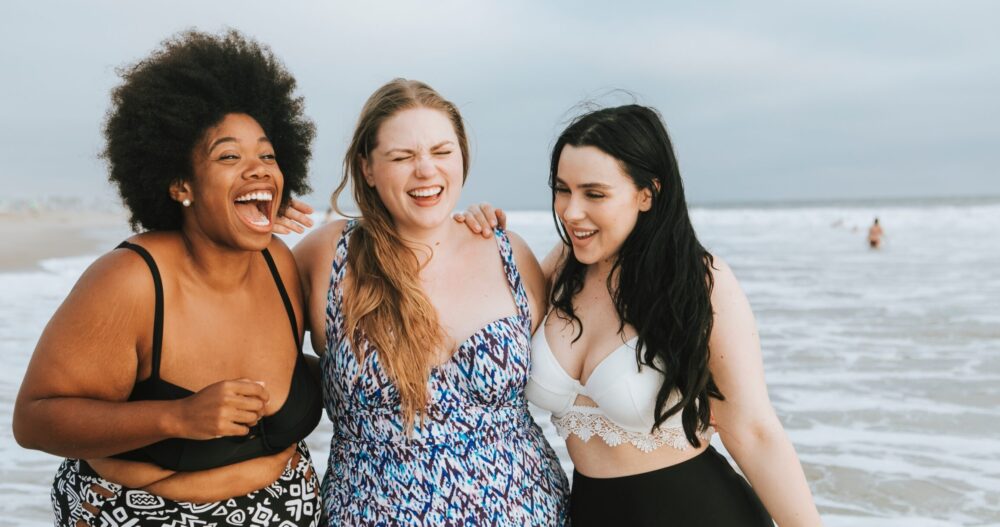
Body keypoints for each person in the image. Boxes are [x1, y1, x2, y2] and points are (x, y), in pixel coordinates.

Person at [456, 105, 823, 526]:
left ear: (646, 194)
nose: (571, 211)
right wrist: (472, 240)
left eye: (594, 193)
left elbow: (755, 433)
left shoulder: (699, 282)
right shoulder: (560, 269)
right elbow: (479, 330)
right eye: (562, 189)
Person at [13, 30, 323, 526]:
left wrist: (470, 225)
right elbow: (33, 422)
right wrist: (178, 418)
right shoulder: (132, 281)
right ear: (181, 185)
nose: (258, 169)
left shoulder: (280, 265)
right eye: (229, 157)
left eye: (267, 156)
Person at [293, 79, 570, 525]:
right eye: (402, 157)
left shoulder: (509, 253)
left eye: (442, 153)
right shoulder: (327, 258)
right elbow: (238, 334)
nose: (426, 170)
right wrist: (251, 229)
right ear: (367, 168)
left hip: (527, 508)